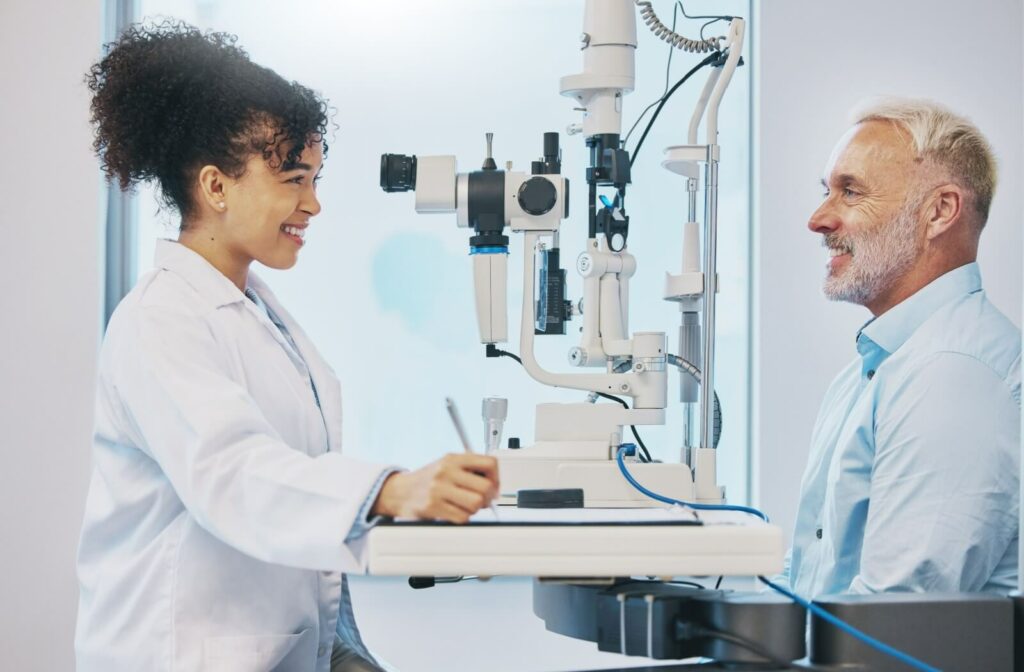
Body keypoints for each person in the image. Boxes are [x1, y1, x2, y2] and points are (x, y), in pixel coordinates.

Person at [76, 22, 499, 672]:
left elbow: (289, 497)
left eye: (315, 179)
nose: (314, 204)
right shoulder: (160, 319)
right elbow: (234, 473)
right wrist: (389, 491)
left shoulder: (259, 317)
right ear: (217, 187)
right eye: (294, 180)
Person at [785, 97, 1021, 597]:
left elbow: (896, 623)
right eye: (827, 191)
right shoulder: (872, 370)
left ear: (939, 211)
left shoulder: (952, 373)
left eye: (851, 192)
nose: (818, 219)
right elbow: (812, 581)